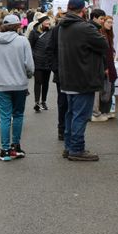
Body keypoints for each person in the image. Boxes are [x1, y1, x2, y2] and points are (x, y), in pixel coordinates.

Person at [56, 0, 108, 161]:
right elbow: (103, 45)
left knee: (71, 114)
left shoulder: (62, 26)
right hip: (82, 78)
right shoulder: (84, 28)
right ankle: (76, 149)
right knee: (80, 115)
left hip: (68, 78)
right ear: (84, 10)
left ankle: (69, 147)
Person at [0, 14, 34, 161]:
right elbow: (29, 65)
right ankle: (16, 146)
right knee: (18, 115)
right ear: (18, 26)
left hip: (2, 84)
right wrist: (27, 75)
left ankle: (4, 149)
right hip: (19, 84)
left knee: (4, 118)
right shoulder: (23, 41)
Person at [47, 11, 68, 141]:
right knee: (63, 102)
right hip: (61, 72)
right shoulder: (57, 30)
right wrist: (55, 68)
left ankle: (68, 129)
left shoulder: (80, 29)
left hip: (74, 72)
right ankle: (62, 129)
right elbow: (50, 49)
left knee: (70, 103)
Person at [28, 15, 52, 112]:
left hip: (48, 61)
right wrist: (33, 56)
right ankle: (37, 102)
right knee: (38, 82)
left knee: (46, 82)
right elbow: (29, 46)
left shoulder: (51, 32)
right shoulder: (34, 32)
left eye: (49, 21)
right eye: (46, 21)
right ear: (41, 22)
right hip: (37, 61)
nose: (48, 23)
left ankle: (44, 101)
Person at [97, 16, 118, 120]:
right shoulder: (101, 34)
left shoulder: (109, 35)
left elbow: (108, 51)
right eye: (108, 22)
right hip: (106, 66)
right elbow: (102, 53)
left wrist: (113, 52)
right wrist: (105, 67)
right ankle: (103, 111)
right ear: (103, 22)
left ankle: (107, 111)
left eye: (111, 22)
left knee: (111, 88)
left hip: (110, 65)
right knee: (106, 89)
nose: (110, 24)